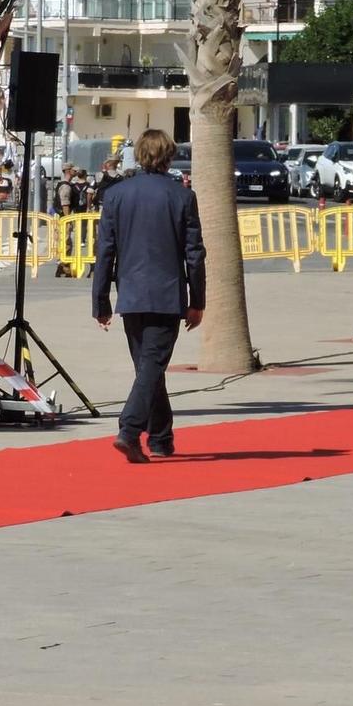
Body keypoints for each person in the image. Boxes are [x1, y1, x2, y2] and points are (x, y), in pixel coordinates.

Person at [91, 128, 205, 464]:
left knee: (148, 367)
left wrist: (101, 301)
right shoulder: (181, 196)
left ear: (139, 155)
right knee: (151, 367)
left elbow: (105, 252)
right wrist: (197, 300)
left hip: (131, 295)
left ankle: (161, 437)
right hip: (167, 296)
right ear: (169, 155)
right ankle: (129, 430)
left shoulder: (116, 195)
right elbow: (195, 254)